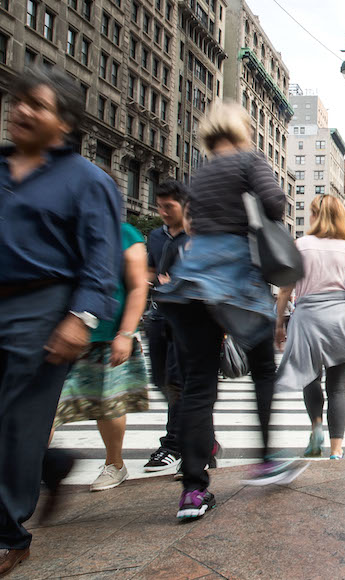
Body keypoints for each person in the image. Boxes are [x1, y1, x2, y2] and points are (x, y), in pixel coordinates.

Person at [0, 67, 121, 576]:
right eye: (19, 100)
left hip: (43, 308)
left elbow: (102, 260)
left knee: (16, 422)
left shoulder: (88, 181)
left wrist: (81, 317)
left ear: (65, 122)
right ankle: (50, 466)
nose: (22, 111)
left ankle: (8, 535)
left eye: (38, 105)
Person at [154, 102, 296, 520]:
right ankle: (269, 460)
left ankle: (193, 492)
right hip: (238, 285)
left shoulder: (200, 173)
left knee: (198, 386)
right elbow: (275, 205)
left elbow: (195, 226)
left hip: (191, 285)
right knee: (263, 371)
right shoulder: (251, 160)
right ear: (241, 131)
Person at [275, 194, 345, 461]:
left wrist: (278, 325)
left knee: (310, 379)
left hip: (307, 318)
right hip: (341, 320)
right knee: (336, 388)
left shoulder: (299, 245)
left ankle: (316, 427)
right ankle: (336, 450)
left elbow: (285, 288)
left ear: (315, 215)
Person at [52, 222, 149, 492]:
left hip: (105, 332)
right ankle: (28, 467)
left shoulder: (124, 233)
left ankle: (114, 464)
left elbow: (138, 285)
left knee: (109, 404)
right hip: (53, 331)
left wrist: (126, 334)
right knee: (42, 407)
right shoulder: (58, 227)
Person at [143, 181, 189, 474]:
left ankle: (174, 444)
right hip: (157, 316)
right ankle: (203, 440)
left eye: (168, 206)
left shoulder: (196, 238)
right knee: (162, 380)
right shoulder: (155, 237)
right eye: (159, 206)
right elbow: (149, 270)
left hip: (186, 321)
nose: (162, 212)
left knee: (178, 382)